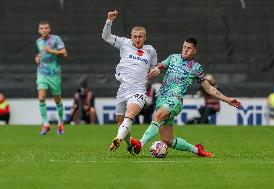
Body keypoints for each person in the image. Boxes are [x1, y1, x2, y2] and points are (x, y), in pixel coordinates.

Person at [130, 38, 242, 157]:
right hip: (161, 98)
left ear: (195, 51)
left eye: (189, 48)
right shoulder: (173, 58)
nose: (185, 50)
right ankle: (197, 150)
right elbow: (161, 66)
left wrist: (227, 99)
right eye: (184, 47)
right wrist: (157, 69)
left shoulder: (196, 68)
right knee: (167, 140)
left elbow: (209, 88)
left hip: (175, 100)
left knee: (157, 116)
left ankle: (140, 144)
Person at [102, 10, 157, 153]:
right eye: (135, 36)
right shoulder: (124, 43)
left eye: (140, 37)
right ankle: (129, 144)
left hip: (138, 90)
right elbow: (106, 36)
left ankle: (117, 139)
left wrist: (155, 71)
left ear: (145, 37)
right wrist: (109, 21)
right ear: (131, 37)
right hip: (123, 89)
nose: (137, 39)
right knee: (121, 123)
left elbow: (154, 69)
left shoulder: (151, 51)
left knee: (129, 116)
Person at [35, 21, 67, 135]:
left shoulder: (56, 39)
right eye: (42, 28)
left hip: (54, 74)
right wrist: (38, 57)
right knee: (41, 97)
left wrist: (51, 51)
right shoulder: (38, 41)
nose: (44, 30)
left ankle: (60, 124)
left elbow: (64, 53)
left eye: (46, 28)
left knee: (57, 99)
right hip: (42, 73)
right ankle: (45, 124)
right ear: (39, 30)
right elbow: (41, 53)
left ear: (49, 29)